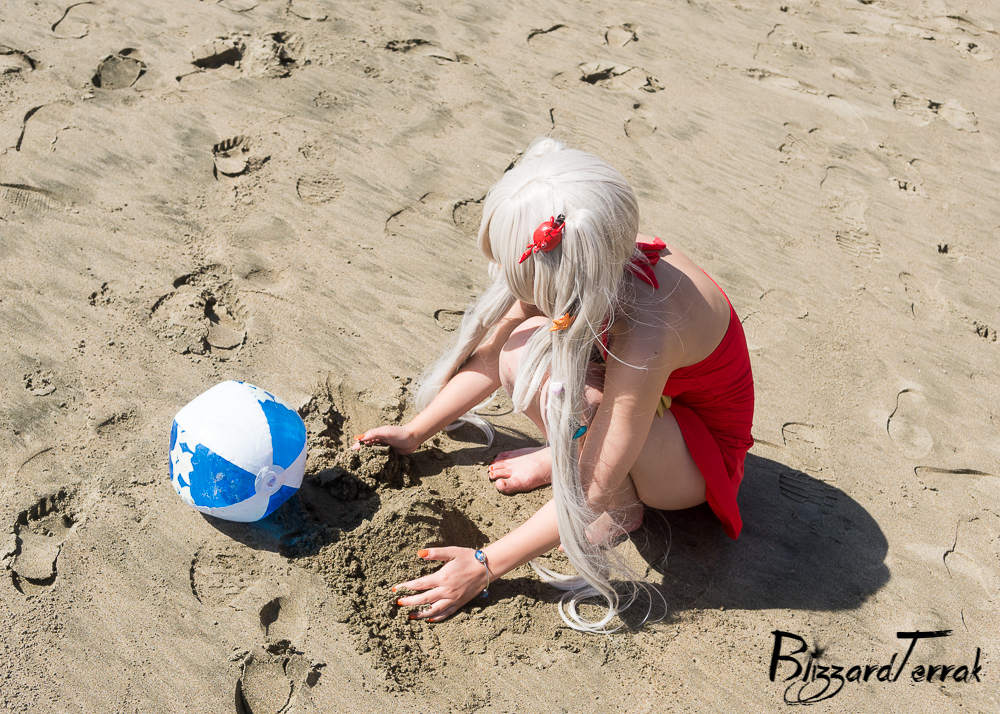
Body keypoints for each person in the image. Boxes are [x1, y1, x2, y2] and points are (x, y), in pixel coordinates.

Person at [354, 138, 754, 631]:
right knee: (522, 350)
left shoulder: (649, 330)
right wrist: (416, 431)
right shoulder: (589, 247)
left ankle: (624, 507)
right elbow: (495, 354)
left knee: (564, 387)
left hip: (697, 457)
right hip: (655, 410)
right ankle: (567, 452)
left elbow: (592, 482)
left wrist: (484, 565)